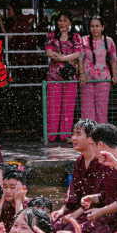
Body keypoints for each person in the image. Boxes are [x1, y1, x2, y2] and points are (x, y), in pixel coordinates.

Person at [78, 123, 117, 233]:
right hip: (111, 218)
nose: (93, 150)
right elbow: (110, 192)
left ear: (100, 145)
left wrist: (101, 211)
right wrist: (94, 197)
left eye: (93, 145)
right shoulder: (108, 161)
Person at [51, 119, 109, 232]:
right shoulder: (79, 161)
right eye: (73, 134)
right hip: (81, 210)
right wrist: (63, 210)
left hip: (98, 212)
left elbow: (99, 196)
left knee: (70, 230)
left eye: (78, 134)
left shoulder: (102, 161)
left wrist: (75, 215)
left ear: (91, 138)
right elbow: (73, 190)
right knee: (52, 225)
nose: (73, 138)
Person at [45, 10, 83, 143]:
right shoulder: (52, 35)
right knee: (53, 106)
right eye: (60, 21)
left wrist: (60, 57)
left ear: (70, 22)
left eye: (65, 21)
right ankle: (51, 135)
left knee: (68, 106)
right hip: (54, 77)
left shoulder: (76, 37)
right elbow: (49, 52)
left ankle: (65, 135)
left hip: (70, 77)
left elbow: (78, 54)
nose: (62, 23)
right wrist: (67, 59)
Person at [78, 16, 117, 123]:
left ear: (102, 27)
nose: (94, 29)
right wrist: (81, 73)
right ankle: (88, 135)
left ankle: (101, 134)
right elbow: (80, 58)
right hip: (86, 79)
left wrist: (114, 75)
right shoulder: (83, 40)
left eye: (97, 26)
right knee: (87, 109)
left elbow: (113, 59)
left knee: (102, 109)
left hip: (103, 79)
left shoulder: (108, 41)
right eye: (92, 26)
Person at [0, 168, 29, 233]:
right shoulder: (3, 203)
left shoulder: (32, 204)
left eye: (12, 187)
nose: (8, 191)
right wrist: (1, 203)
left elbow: (22, 228)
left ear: (23, 188)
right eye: (5, 187)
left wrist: (18, 201)